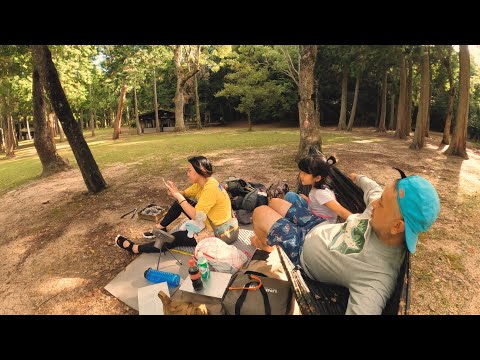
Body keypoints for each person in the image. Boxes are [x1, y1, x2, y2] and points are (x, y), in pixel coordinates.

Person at [250, 169, 440, 315]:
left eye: (382, 203)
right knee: (274, 202)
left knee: (260, 213)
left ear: (397, 227)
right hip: (318, 225)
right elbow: (373, 189)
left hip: (301, 249)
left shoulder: (378, 277)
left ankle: (265, 247)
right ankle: (267, 240)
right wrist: (358, 178)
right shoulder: (379, 216)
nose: (374, 203)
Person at [115, 156, 238, 254]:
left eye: (189, 170)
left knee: (175, 238)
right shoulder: (203, 182)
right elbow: (184, 194)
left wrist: (178, 196)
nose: (187, 173)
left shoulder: (210, 188)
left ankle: (135, 248)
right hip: (210, 221)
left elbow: (197, 217)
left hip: (221, 233)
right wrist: (175, 191)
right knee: (179, 202)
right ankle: (161, 227)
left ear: (201, 170)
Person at [284, 154, 352, 224]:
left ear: (317, 178)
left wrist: (357, 223)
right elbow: (319, 204)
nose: (301, 175)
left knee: (285, 209)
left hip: (318, 223)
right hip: (313, 211)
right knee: (290, 196)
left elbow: (340, 211)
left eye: (305, 173)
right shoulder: (321, 187)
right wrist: (307, 199)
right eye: (301, 171)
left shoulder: (320, 193)